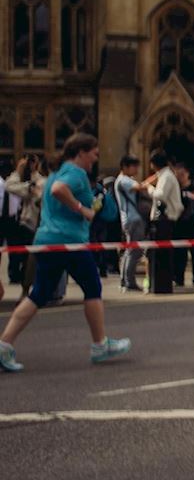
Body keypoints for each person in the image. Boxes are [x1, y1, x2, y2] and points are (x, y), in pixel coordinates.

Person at [0, 134, 131, 372]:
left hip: (47, 240)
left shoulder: (56, 173)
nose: (95, 158)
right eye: (94, 153)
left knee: (38, 294)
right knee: (92, 287)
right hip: (68, 241)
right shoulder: (75, 174)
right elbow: (59, 191)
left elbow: (53, 190)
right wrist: (82, 209)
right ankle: (100, 345)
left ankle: (4, 345)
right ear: (81, 152)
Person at [146, 150, 182, 295]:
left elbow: (160, 195)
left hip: (165, 219)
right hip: (163, 219)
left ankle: (162, 284)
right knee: (159, 254)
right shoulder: (165, 175)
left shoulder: (166, 176)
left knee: (162, 255)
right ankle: (158, 283)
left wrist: (149, 189)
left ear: (153, 164)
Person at [5, 155, 43, 290]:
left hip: (29, 223)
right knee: (15, 254)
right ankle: (16, 275)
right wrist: (20, 173)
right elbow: (9, 186)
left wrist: (31, 181)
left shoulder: (39, 179)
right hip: (14, 222)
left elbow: (38, 191)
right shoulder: (17, 179)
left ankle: (26, 285)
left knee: (29, 257)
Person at [114, 155, 148, 292]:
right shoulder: (124, 180)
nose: (136, 169)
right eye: (134, 166)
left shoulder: (122, 180)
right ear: (125, 167)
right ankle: (129, 282)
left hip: (129, 218)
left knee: (129, 250)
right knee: (134, 251)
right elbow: (139, 187)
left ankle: (125, 281)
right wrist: (156, 177)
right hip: (133, 218)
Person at [172, 163, 194, 288]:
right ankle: (178, 278)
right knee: (179, 254)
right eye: (177, 174)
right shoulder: (175, 188)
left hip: (192, 225)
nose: (180, 177)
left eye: (182, 174)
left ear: (187, 173)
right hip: (178, 225)